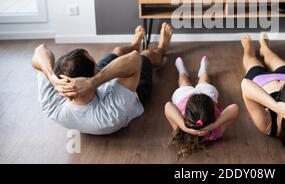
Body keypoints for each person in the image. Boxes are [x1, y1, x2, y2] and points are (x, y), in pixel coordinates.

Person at [32, 23, 173, 135]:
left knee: (117, 51)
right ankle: (162, 48)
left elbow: (40, 50)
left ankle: (134, 44)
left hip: (94, 87)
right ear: (93, 74)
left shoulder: (52, 106)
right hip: (133, 94)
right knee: (146, 55)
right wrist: (93, 82)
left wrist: (51, 77)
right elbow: (135, 59)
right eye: (95, 63)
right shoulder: (109, 115)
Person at [164, 56, 239, 158]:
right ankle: (203, 70)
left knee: (184, 82)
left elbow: (168, 106)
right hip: (206, 96)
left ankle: (182, 71)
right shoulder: (215, 131)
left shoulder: (180, 130)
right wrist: (213, 125)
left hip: (185, 97)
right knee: (204, 81)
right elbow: (234, 108)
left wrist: (185, 127)